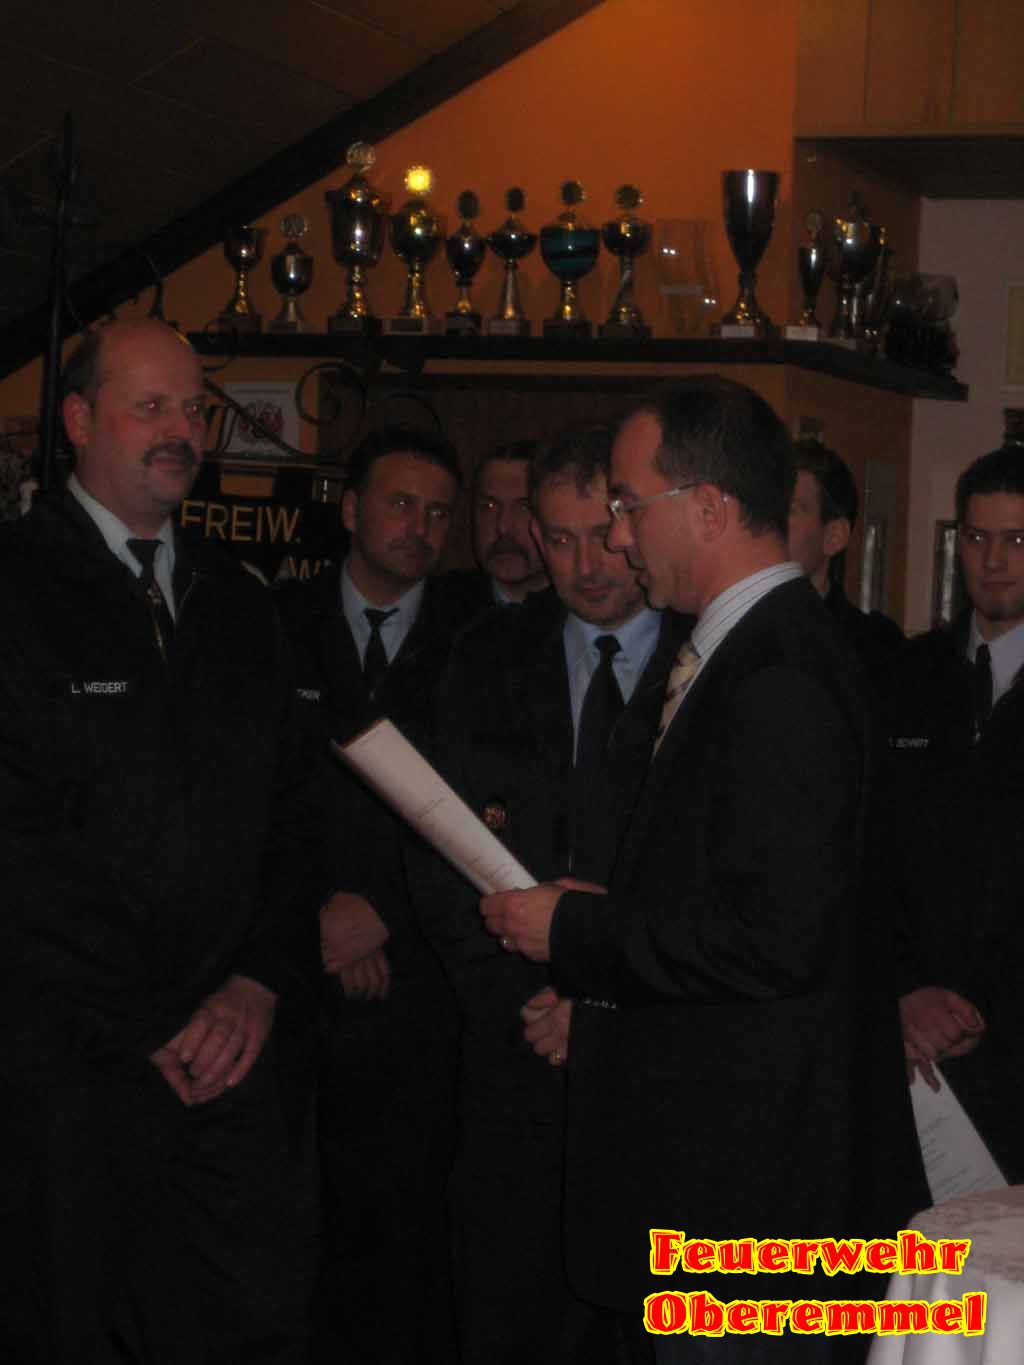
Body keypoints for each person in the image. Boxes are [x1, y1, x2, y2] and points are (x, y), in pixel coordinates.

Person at [481, 378, 925, 1363]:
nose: (618, 536)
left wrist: (575, 931)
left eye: (629, 506)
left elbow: (775, 940)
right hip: (734, 1180)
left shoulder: (777, 673)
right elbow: (742, 889)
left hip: (752, 1199)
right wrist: (610, 910)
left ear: (710, 508)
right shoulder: (752, 649)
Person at [0, 319, 324, 1363]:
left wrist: (259, 981)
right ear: (77, 419)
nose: (183, 430)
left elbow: (293, 817)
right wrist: (145, 1016)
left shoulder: (241, 606)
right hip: (64, 1078)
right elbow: (22, 851)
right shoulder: (15, 589)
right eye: (151, 407)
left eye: (194, 408)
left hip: (232, 1068)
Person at [412, 423, 689, 1365]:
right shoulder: (485, 655)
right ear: (533, 534)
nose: (587, 566)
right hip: (511, 1052)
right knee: (507, 1318)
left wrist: (605, 1001)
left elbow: (708, 878)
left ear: (634, 523)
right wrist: (529, 1001)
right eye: (559, 540)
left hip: (656, 1068)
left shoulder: (704, 660)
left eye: (603, 535)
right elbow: (438, 851)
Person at [275, 426, 471, 1365]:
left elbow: (489, 806)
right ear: (350, 508)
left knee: (403, 1248)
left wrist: (383, 910)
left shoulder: (478, 641)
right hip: (289, 967)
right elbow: (247, 794)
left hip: (419, 980)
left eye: (438, 513)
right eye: (399, 503)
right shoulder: (272, 621)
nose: (419, 527)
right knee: (286, 1240)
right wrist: (321, 915)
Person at [885, 441, 1024, 1183]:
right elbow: (862, 858)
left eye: (1017, 540)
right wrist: (901, 991)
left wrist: (984, 1012)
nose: (992, 561)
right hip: (903, 1048)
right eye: (976, 537)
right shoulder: (907, 675)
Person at [787, 436, 903, 686]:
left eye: (788, 512)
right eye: (764, 509)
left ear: (834, 537)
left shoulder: (873, 652)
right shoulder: (728, 628)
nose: (767, 526)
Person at [469, 439, 550, 604]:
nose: (503, 527)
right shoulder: (438, 606)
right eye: (489, 507)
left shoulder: (588, 610)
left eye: (525, 507)